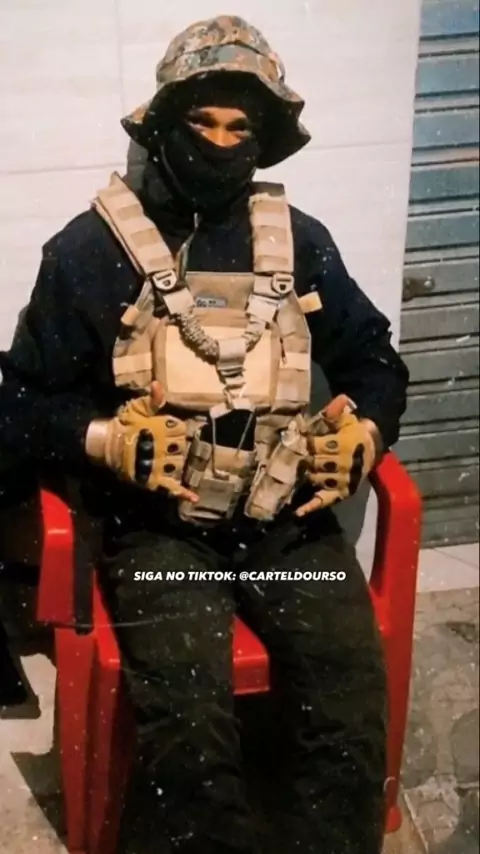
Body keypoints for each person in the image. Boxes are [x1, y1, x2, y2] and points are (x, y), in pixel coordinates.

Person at [0, 15, 409, 854]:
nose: (220, 143)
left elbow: (375, 361)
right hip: (159, 532)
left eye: (239, 127)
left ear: (262, 138)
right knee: (188, 727)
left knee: (347, 701)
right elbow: (17, 405)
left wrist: (365, 431)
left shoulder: (299, 242)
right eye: (202, 122)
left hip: (286, 523)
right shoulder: (88, 252)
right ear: (163, 124)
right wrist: (105, 438)